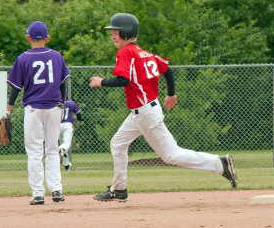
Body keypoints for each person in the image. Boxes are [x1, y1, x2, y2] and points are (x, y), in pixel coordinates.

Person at [89, 13, 238, 203]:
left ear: (126, 33)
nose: (112, 36)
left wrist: (102, 82)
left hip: (145, 113)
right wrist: (171, 93)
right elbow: (167, 70)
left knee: (170, 155)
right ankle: (119, 189)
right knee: (118, 143)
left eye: (116, 32)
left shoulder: (126, 52)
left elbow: (123, 80)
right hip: (141, 112)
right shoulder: (145, 54)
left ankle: (219, 163)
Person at [6, 21, 70, 205]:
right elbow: (63, 83)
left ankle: (38, 194)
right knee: (52, 149)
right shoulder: (57, 56)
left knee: (34, 151)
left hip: (33, 109)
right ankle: (56, 190)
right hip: (54, 107)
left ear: (28, 38)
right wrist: (63, 103)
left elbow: (16, 88)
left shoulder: (23, 58)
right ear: (47, 38)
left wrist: (9, 108)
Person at [59, 93, 82, 171]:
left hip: (57, 125)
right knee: (66, 144)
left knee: (63, 145)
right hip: (67, 124)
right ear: (66, 94)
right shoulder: (71, 103)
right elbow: (79, 114)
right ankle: (61, 148)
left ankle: (66, 165)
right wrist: (79, 119)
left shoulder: (55, 103)